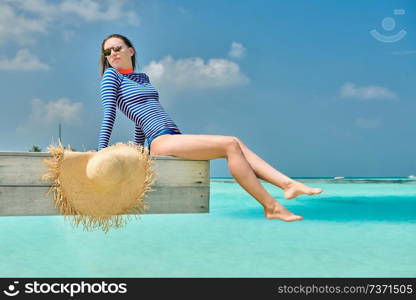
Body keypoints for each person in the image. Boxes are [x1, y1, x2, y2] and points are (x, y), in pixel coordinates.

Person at [92, 33, 323, 222]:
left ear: (130, 50)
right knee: (230, 144)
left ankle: (287, 184)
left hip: (171, 136)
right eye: (108, 51)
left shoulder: (143, 79)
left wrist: (138, 151)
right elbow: (109, 114)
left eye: (117, 48)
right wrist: (101, 151)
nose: (112, 54)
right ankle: (271, 207)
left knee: (237, 143)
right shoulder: (111, 77)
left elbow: (140, 118)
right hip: (161, 141)